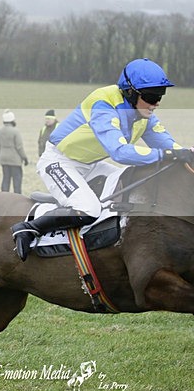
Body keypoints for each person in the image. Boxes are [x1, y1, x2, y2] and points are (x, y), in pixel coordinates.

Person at [11, 58, 194, 261]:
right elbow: (120, 153)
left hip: (92, 165)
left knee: (131, 186)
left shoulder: (144, 114)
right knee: (89, 209)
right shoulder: (103, 104)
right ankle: (28, 229)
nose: (156, 103)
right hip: (59, 161)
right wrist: (168, 155)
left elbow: (169, 146)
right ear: (131, 92)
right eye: (151, 96)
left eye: (160, 96)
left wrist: (187, 152)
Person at [0, 110, 29, 194]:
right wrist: (24, 158)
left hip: (4, 158)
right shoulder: (15, 131)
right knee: (17, 180)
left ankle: (3, 196)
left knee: (5, 179)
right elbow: (19, 147)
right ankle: (17, 197)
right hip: (15, 160)